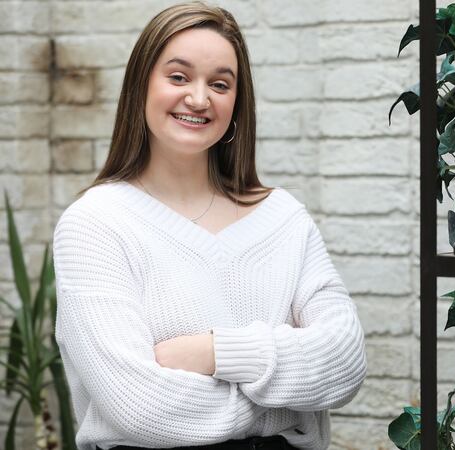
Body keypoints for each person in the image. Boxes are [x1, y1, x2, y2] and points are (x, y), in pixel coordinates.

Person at [52, 3, 367, 450]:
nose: (199, 99)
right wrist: (290, 408)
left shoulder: (284, 218)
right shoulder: (96, 224)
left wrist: (213, 353)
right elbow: (138, 406)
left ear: (237, 103)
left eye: (220, 84)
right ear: (140, 85)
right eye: (178, 77)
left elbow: (345, 362)